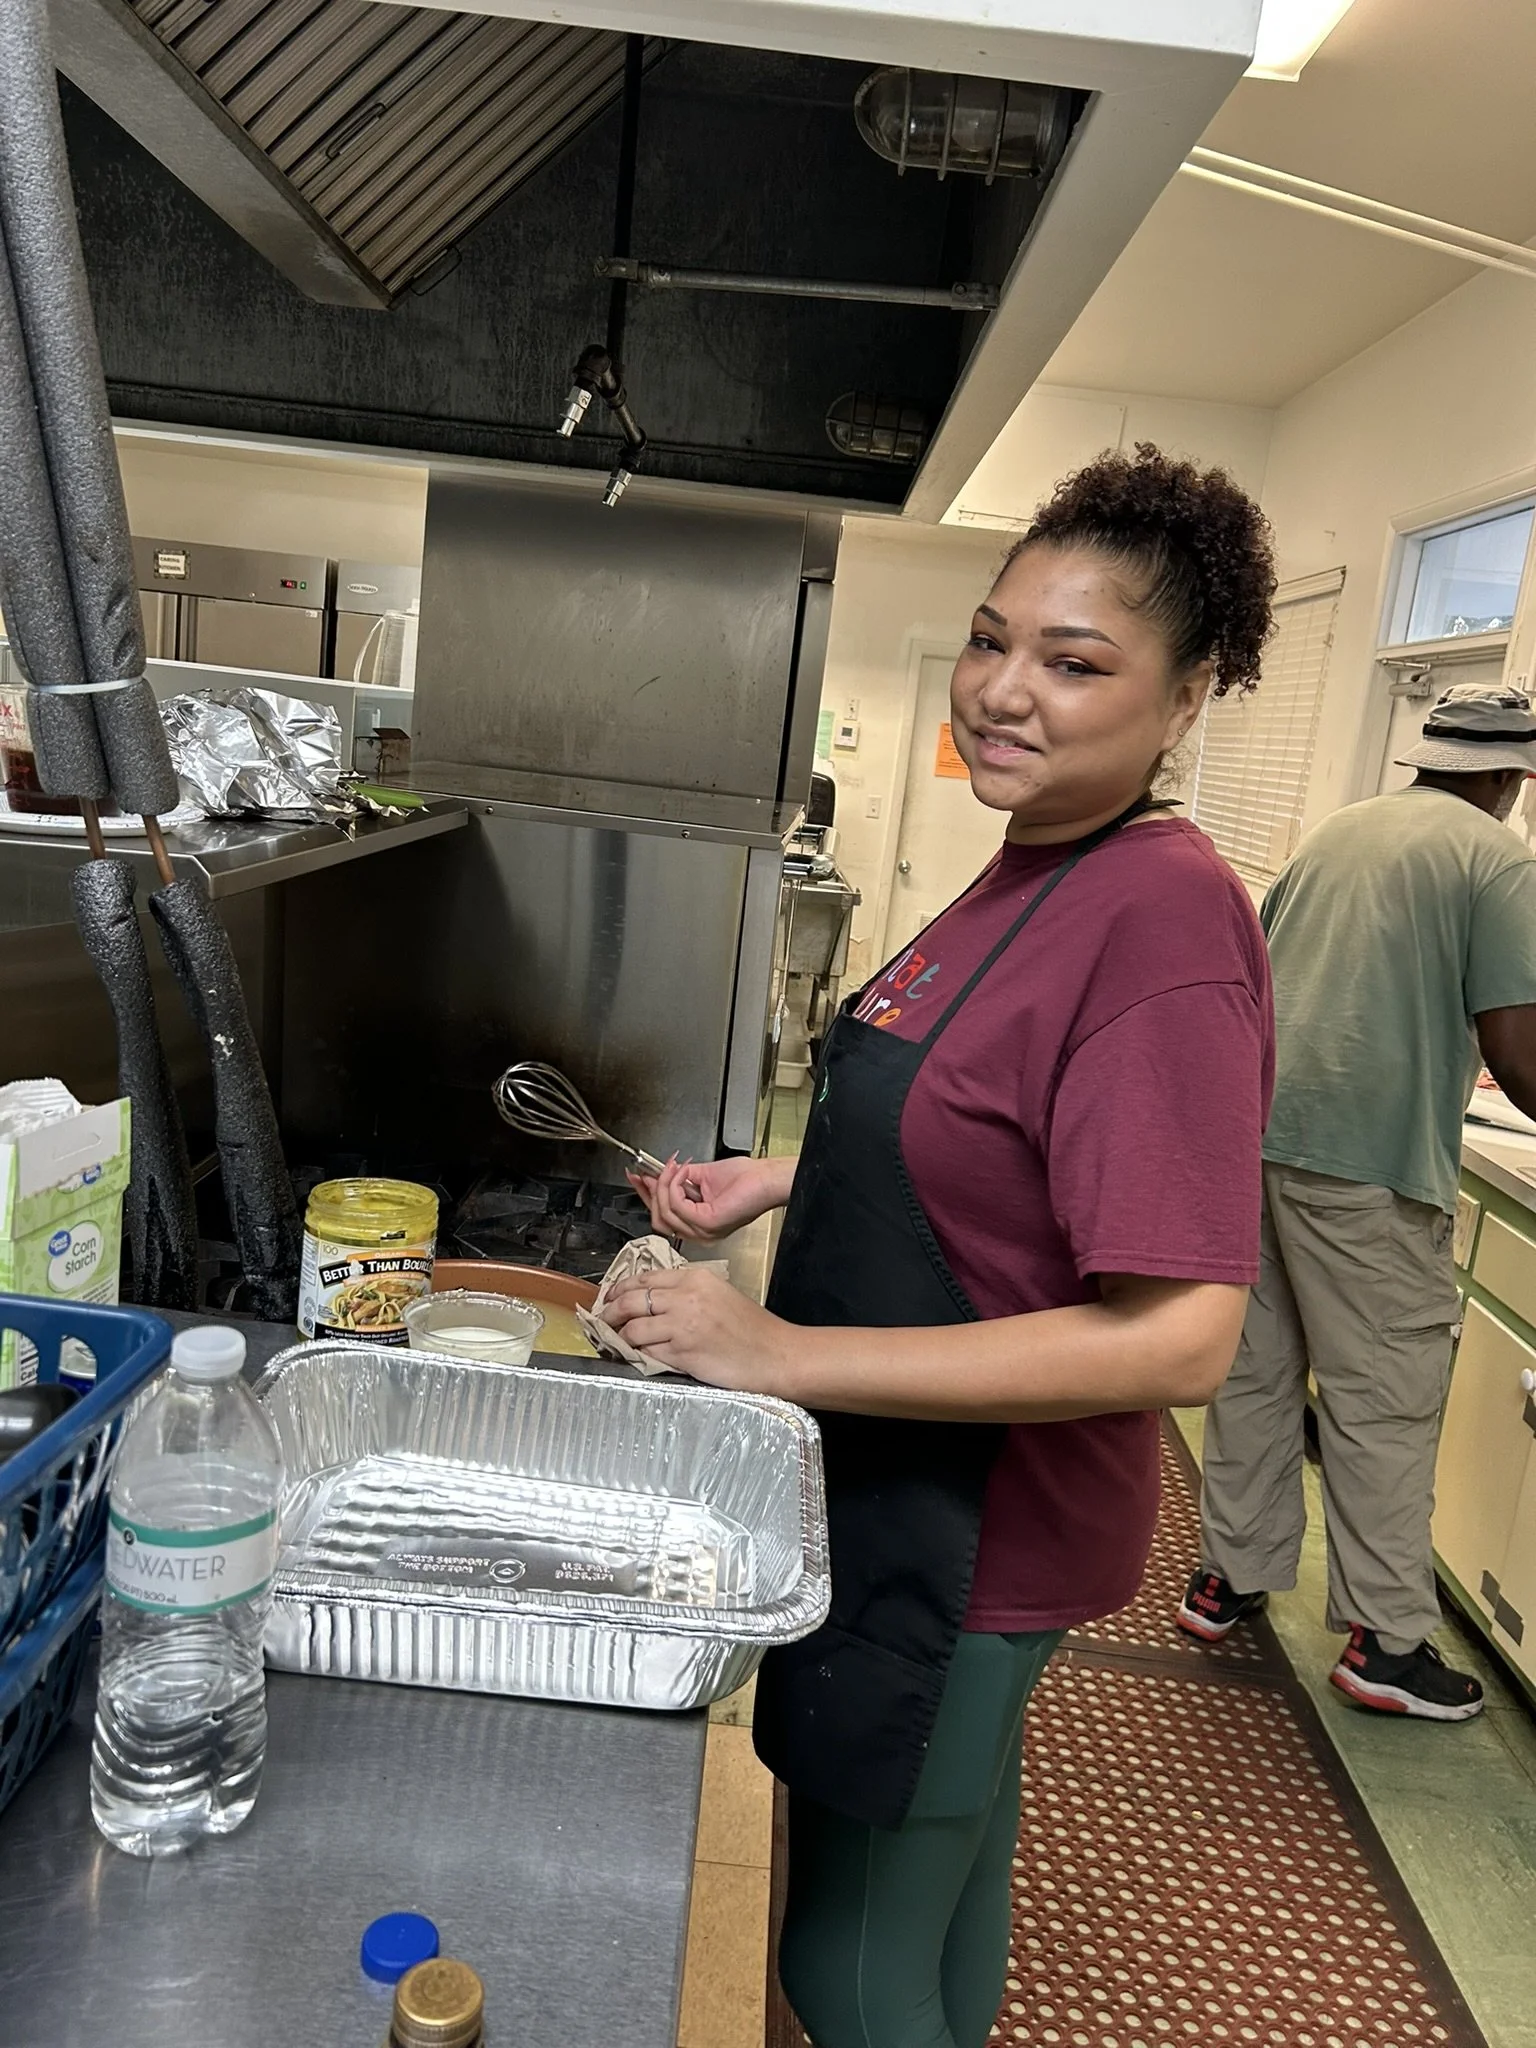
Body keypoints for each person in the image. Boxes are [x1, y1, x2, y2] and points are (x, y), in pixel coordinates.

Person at [609, 444, 1277, 2048]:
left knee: (846, 1964)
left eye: (1075, 662)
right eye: (991, 640)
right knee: (945, 1893)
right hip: (901, 1496)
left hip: (971, 1537)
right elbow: (996, 1137)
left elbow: (1182, 1334)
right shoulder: (1034, 870)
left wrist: (776, 1351)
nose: (1002, 690)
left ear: (1186, 701)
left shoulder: (1163, 920)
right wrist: (780, 1181)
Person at [1179, 683, 1536, 1721]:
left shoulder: (1340, 830)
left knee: (1254, 1372)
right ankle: (1386, 1642)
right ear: (1510, 777)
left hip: (1259, 1138)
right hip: (1370, 1166)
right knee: (1383, 1399)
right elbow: (1517, 1055)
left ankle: (1227, 1579)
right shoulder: (1499, 860)